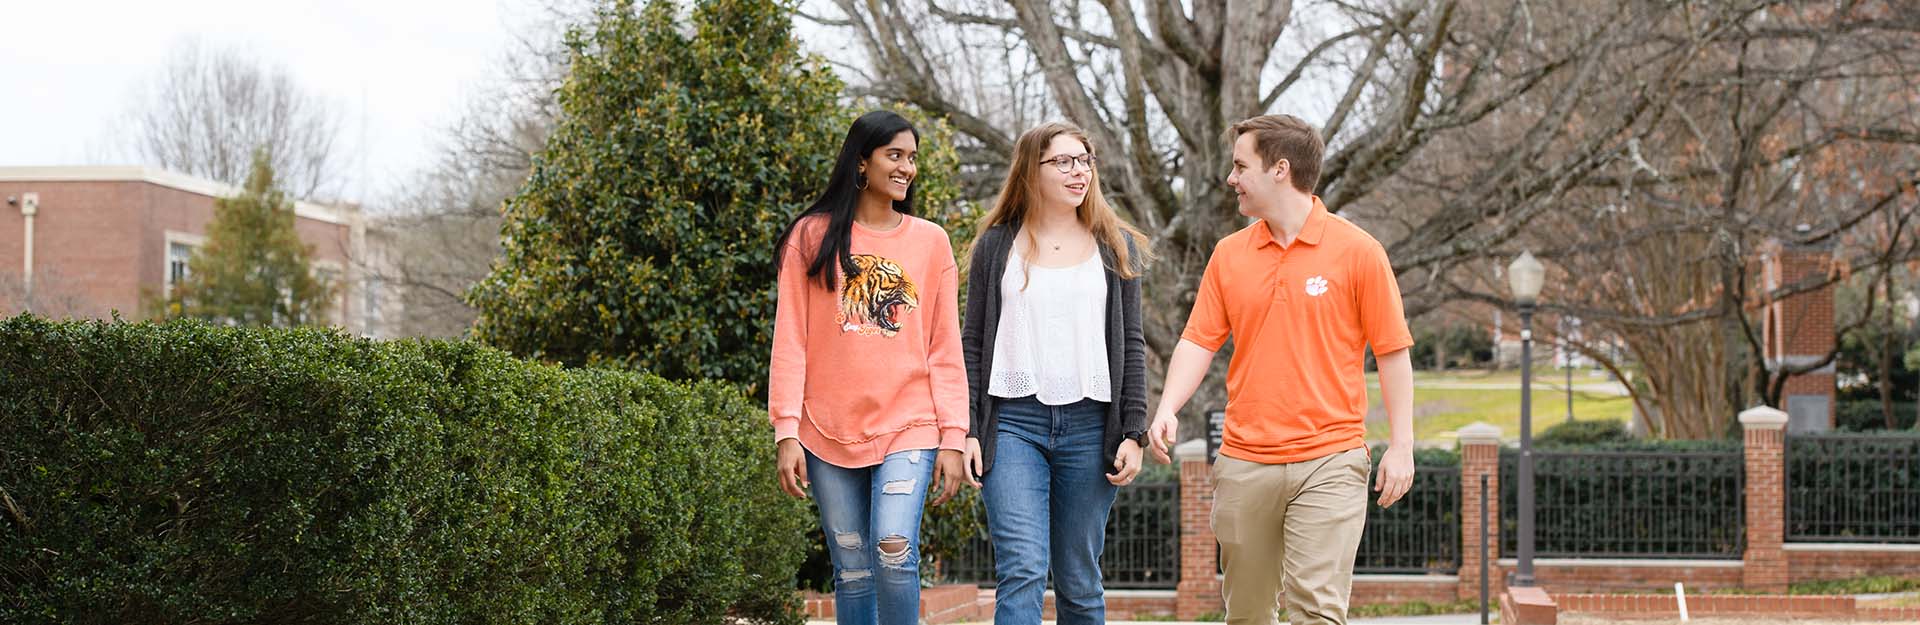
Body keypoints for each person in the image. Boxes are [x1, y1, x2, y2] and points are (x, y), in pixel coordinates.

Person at [1146, 114, 1417, 625]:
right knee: (1247, 613)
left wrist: (1402, 445)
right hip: (1245, 460)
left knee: (1316, 608)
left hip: (1331, 458)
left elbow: (1392, 352)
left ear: (1280, 170)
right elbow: (1198, 340)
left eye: (1240, 166)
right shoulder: (1229, 255)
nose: (1231, 179)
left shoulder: (1359, 252)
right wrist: (1167, 407)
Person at [767, 110, 970, 625]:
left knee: (892, 547)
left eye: (912, 158)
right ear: (862, 161)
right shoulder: (811, 237)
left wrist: (953, 434)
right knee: (853, 567)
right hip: (825, 427)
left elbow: (945, 346)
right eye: (894, 155)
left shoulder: (931, 242)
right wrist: (786, 430)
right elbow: (791, 338)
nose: (906, 168)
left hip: (910, 422)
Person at [960, 122, 1153, 625]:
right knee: (1022, 568)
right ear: (1032, 169)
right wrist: (967, 428)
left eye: (1085, 160)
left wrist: (1135, 432)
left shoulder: (1116, 246)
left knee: (1079, 578)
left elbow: (1132, 345)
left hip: (1092, 428)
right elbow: (974, 341)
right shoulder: (996, 246)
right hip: (1013, 424)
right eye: (1063, 161)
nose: (1078, 171)